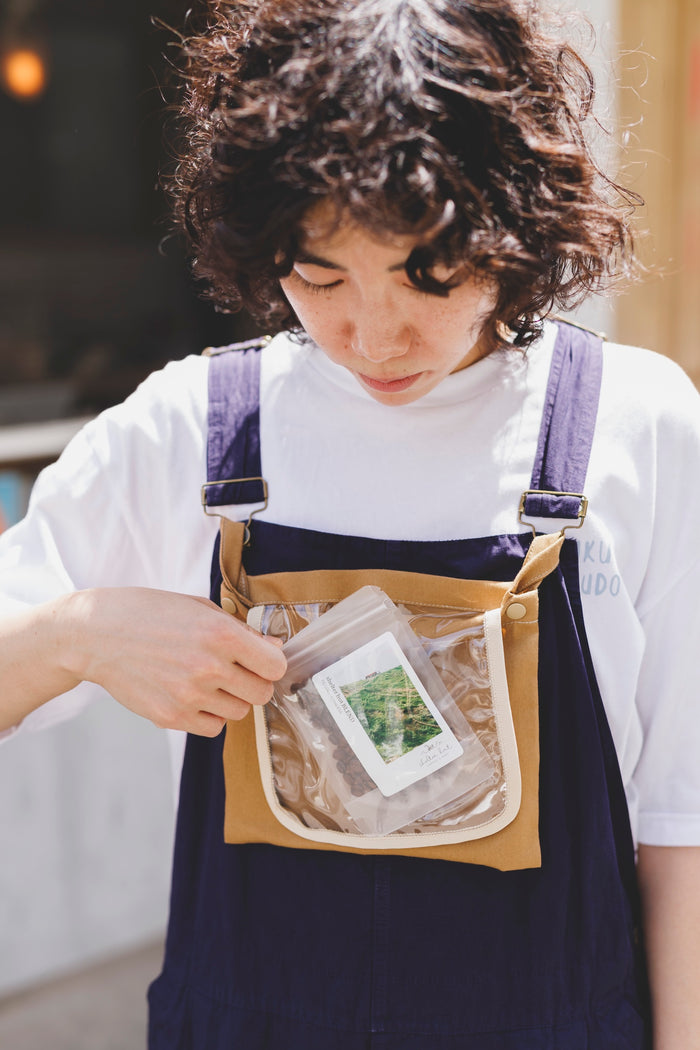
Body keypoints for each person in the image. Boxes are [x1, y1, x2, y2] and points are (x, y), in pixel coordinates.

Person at [1, 0, 699, 1045]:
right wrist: (79, 636)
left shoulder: (635, 424)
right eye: (317, 275)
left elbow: (683, 817)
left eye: (428, 276)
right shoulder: (195, 427)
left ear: (515, 229)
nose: (372, 335)